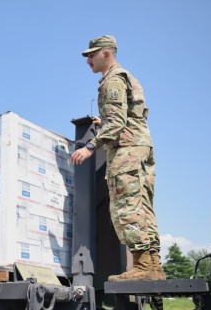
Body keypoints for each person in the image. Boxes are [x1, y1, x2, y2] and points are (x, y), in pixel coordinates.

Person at [70, 35, 165, 281]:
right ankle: (153, 266)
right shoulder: (128, 77)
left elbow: (117, 121)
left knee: (127, 205)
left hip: (126, 149)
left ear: (107, 53)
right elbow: (131, 116)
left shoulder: (112, 79)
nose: (88, 60)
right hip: (140, 145)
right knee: (142, 205)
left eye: (92, 54)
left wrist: (90, 146)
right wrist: (108, 122)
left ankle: (143, 267)